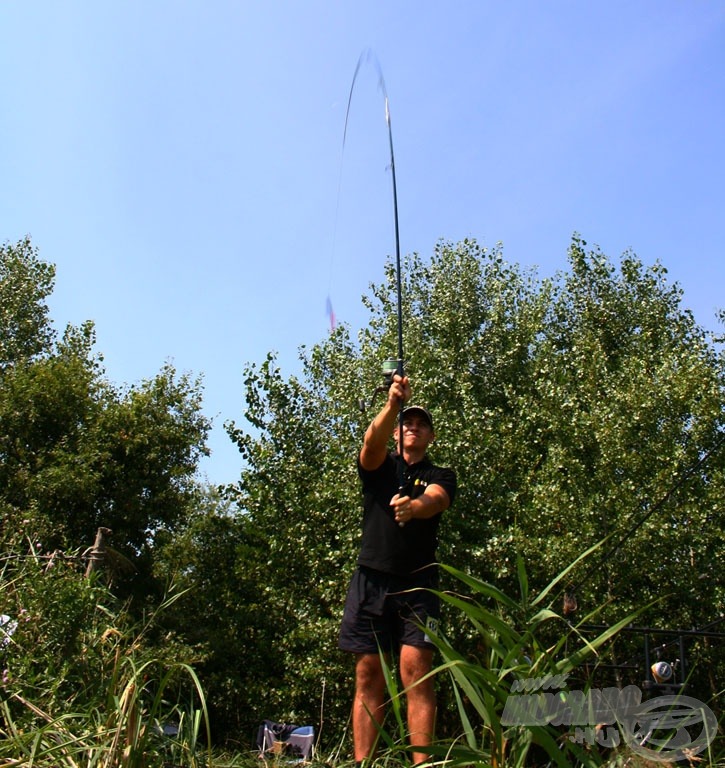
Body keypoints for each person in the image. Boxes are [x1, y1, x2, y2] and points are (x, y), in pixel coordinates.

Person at [339, 373, 457, 766]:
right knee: (369, 675)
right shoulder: (379, 467)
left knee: (416, 673)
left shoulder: (441, 475)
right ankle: (363, 763)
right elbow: (369, 447)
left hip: (419, 585)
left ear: (431, 437)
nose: (414, 427)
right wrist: (393, 403)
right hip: (370, 580)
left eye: (422, 424)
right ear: (396, 431)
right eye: (408, 422)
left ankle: (422, 764)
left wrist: (415, 507)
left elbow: (437, 500)